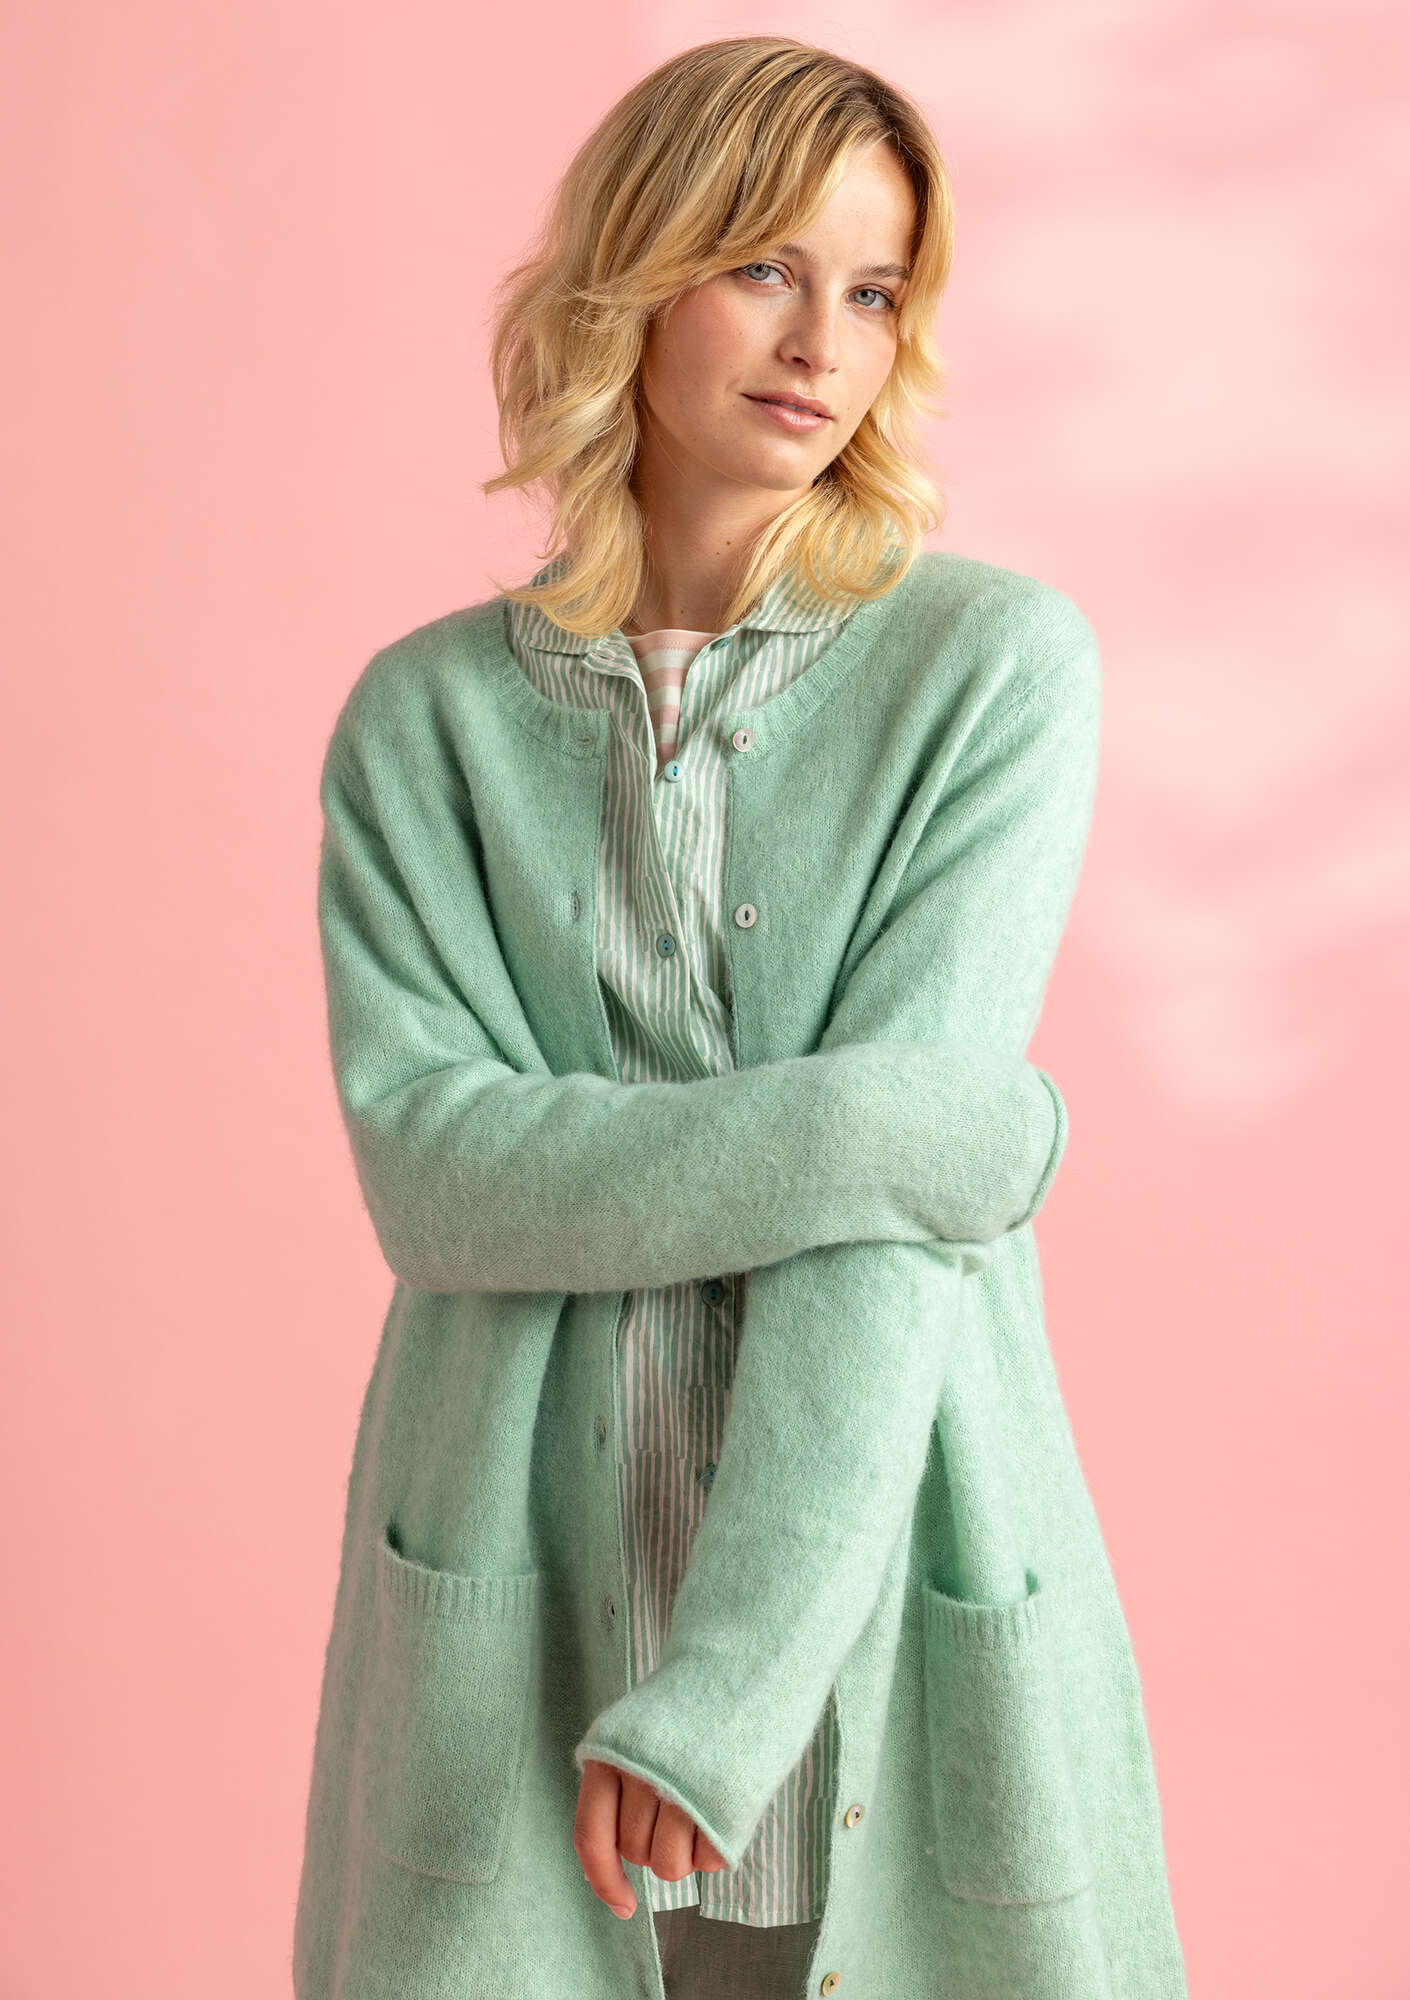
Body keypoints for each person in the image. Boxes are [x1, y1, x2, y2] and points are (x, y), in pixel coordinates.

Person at [293, 35, 1188, 2000]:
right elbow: (441, 1185)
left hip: (878, 1613)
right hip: (519, 1621)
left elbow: (878, 1262)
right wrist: (894, 1128)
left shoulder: (986, 671)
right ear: (635, 272)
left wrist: (727, 1691)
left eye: (873, 290)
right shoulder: (425, 726)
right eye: (763, 267)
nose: (820, 344)